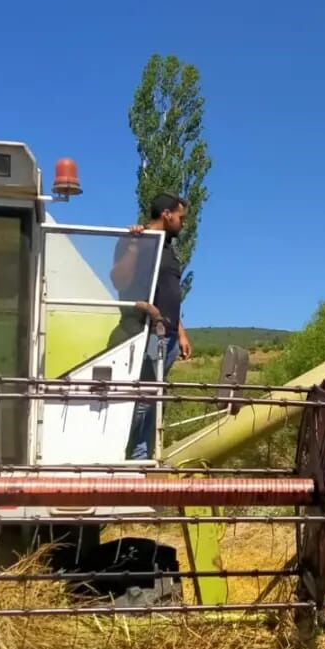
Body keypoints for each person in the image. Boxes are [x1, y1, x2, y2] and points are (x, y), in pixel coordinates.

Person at [119, 193, 194, 460]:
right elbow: (119, 280)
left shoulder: (168, 248)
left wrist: (181, 332)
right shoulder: (138, 241)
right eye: (181, 218)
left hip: (169, 336)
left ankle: (143, 457)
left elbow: (167, 294)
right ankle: (124, 456)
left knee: (152, 401)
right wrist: (133, 245)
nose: (183, 224)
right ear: (166, 214)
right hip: (148, 333)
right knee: (142, 400)